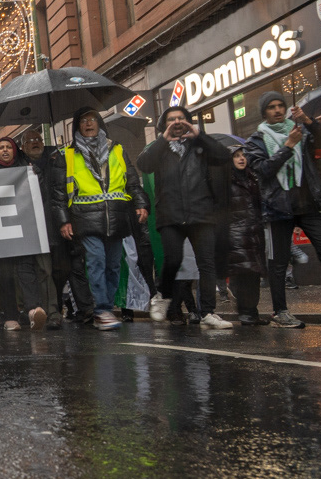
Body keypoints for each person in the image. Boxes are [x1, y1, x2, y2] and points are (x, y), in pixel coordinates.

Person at [245, 92, 321, 327]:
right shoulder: (256, 141)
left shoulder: (301, 131)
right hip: (278, 208)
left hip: (309, 204)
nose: (278, 110)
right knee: (278, 262)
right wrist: (288, 146)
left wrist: (308, 121)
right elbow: (263, 170)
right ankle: (280, 311)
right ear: (264, 112)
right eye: (271, 107)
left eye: (281, 105)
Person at [52, 108, 148, 330]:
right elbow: (58, 193)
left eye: (92, 119)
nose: (88, 124)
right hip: (85, 218)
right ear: (77, 126)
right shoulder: (66, 155)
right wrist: (63, 221)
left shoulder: (117, 149)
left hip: (116, 217)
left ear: (99, 123)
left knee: (113, 266)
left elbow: (132, 180)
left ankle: (106, 308)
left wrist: (141, 203)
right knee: (96, 261)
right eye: (83, 121)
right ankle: (102, 310)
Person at [137, 106, 233, 329]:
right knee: (173, 259)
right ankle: (163, 296)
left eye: (181, 118)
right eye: (171, 119)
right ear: (164, 125)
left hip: (201, 213)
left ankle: (208, 312)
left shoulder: (199, 145)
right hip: (170, 215)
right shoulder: (159, 148)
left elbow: (223, 156)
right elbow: (144, 164)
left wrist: (200, 135)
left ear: (189, 122)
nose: (177, 122)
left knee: (206, 263)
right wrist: (163, 139)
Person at [21, 128, 90, 328]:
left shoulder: (56, 158)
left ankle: (57, 303)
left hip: (58, 222)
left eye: (38, 139)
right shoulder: (21, 165)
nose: (35, 142)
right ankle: (52, 311)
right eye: (29, 140)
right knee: (45, 270)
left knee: (62, 268)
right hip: (35, 225)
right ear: (23, 146)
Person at [0, 137, 47, 331]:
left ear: (14, 151)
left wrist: (36, 174)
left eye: (8, 147)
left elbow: (40, 191)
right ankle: (10, 316)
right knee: (5, 273)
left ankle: (33, 310)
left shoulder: (27, 168)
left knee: (26, 269)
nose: (4, 150)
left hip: (22, 226)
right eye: (0, 148)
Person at [224, 146, 269, 325]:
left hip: (254, 232)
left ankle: (252, 313)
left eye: (243, 155)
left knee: (254, 275)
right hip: (236, 234)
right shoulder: (225, 182)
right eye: (236, 156)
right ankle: (245, 314)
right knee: (243, 274)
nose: (241, 159)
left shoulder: (252, 178)